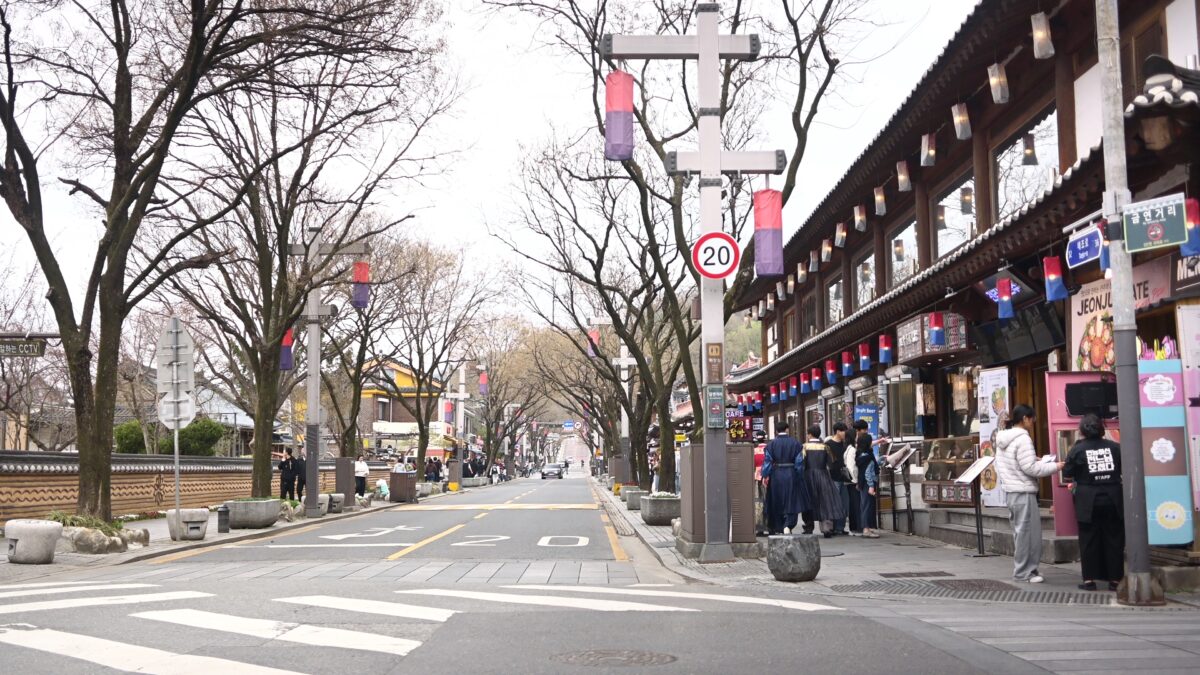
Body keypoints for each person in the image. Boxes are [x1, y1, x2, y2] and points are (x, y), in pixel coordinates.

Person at [995, 404, 1063, 584]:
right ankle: (1024, 572)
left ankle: (1025, 570)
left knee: (1021, 533)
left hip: (1011, 491)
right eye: (1032, 419)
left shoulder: (1003, 437)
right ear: (1025, 418)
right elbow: (1030, 468)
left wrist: (1037, 459)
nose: (1033, 422)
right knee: (1028, 534)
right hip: (1023, 491)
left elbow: (1015, 463)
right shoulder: (1022, 438)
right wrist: (1056, 466)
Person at [1063, 414, 1123, 591]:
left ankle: (1089, 580)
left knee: (1088, 539)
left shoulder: (1078, 449)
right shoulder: (1115, 447)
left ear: (1082, 430)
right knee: (1114, 539)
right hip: (1113, 497)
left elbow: (1068, 472)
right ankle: (1115, 580)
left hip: (1087, 500)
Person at [761, 421, 808, 535]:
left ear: (776, 431)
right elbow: (799, 463)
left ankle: (778, 526)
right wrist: (800, 475)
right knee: (791, 499)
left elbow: (767, 462)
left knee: (776, 499)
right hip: (791, 473)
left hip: (776, 474)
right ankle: (788, 524)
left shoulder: (771, 445)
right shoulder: (796, 444)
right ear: (787, 429)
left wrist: (765, 475)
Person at [802, 424, 845, 537]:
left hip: (808, 476)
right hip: (823, 475)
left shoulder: (804, 447)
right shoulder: (825, 447)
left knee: (808, 501)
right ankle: (826, 528)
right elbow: (832, 463)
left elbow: (801, 464)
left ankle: (808, 527)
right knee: (825, 501)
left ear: (809, 434)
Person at [825, 423, 857, 536]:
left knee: (844, 503)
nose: (845, 433)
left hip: (845, 478)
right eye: (843, 431)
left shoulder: (845, 444)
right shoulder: (828, 444)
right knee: (834, 503)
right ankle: (831, 527)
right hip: (833, 478)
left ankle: (840, 527)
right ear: (838, 431)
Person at [854, 420, 880, 538]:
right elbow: (868, 473)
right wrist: (871, 486)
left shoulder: (860, 454)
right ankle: (866, 529)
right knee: (867, 505)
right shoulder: (868, 457)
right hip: (868, 483)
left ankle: (867, 527)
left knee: (864, 504)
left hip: (861, 482)